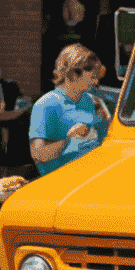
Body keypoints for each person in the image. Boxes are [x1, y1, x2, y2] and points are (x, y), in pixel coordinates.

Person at [29, 45, 110, 175]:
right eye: (92, 76)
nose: (95, 81)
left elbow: (106, 141)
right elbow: (38, 154)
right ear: (73, 72)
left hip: (91, 179)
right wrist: (71, 141)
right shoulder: (46, 105)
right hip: (60, 184)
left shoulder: (93, 101)